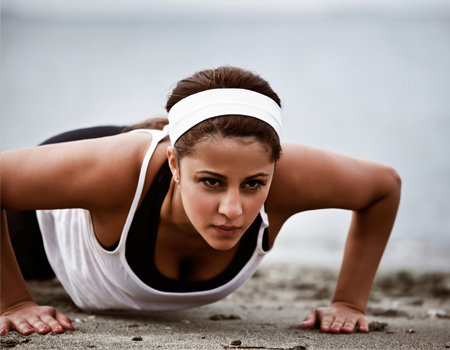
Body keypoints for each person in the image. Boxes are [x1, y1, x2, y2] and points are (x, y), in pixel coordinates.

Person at [0, 66, 401, 336]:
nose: (233, 209)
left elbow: (384, 186)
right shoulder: (116, 173)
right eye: (212, 182)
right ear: (174, 163)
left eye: (253, 184)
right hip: (49, 215)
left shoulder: (287, 178)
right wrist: (14, 301)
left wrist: (348, 302)